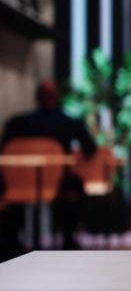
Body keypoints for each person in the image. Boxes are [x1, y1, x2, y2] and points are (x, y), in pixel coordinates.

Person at [0, 80, 97, 254]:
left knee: (8, 191)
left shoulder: (16, 123)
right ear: (57, 97)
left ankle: (12, 242)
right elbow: (90, 149)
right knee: (74, 186)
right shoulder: (69, 122)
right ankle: (68, 238)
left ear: (37, 98)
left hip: (18, 186)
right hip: (58, 185)